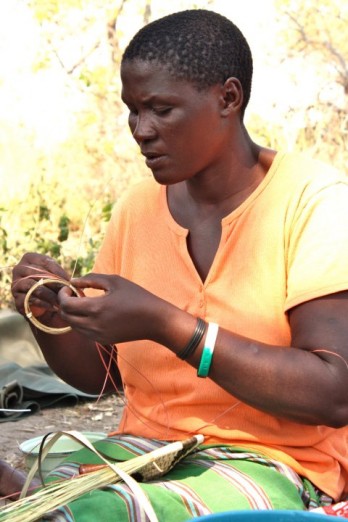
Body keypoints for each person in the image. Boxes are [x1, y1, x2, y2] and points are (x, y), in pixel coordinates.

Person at [2, 7, 348, 521]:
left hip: (274, 464)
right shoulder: (137, 209)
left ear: (228, 98)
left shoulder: (314, 202)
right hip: (145, 452)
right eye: (132, 110)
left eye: (161, 109)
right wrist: (54, 320)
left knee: (78, 513)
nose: (140, 130)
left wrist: (169, 325)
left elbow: (332, 392)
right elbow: (105, 376)